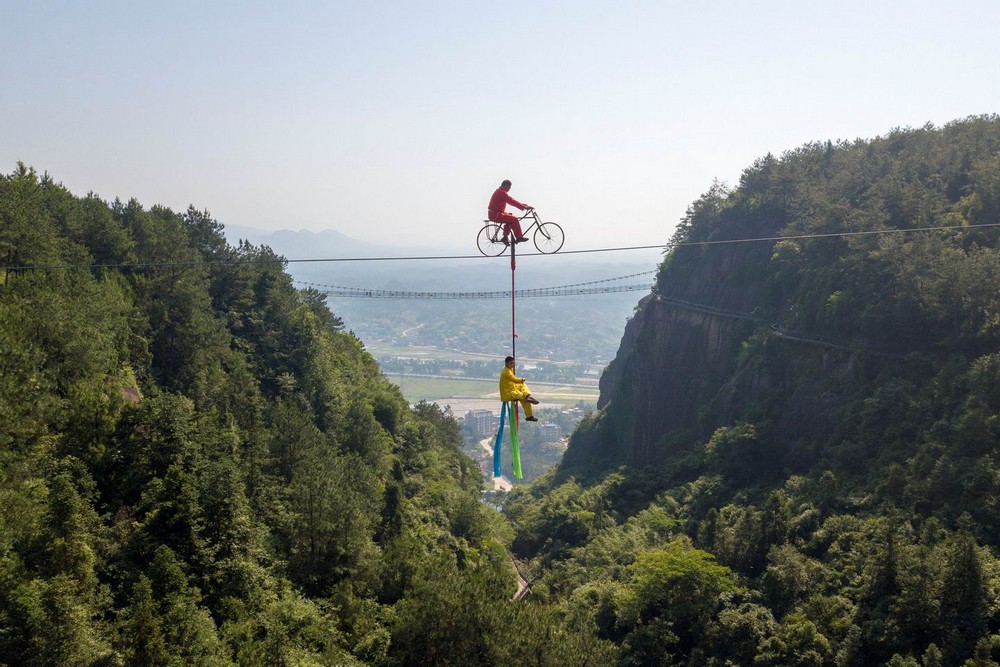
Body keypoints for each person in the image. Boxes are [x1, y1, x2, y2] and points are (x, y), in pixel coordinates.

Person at [488, 179, 531, 244]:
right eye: (509, 187)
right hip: (496, 214)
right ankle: (519, 237)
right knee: (514, 219)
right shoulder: (501, 192)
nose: (509, 189)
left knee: (510, 217)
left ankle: (505, 237)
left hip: (496, 213)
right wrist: (523, 207)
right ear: (506, 186)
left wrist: (523, 205)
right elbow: (511, 201)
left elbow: (511, 200)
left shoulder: (500, 191)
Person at [499, 355, 540, 421]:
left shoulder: (509, 369)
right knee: (524, 398)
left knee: (522, 385)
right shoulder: (506, 372)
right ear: (506, 363)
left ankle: (527, 395)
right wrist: (521, 380)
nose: (513, 364)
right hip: (508, 393)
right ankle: (529, 414)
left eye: (513, 363)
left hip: (512, 388)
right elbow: (513, 379)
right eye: (511, 363)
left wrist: (521, 382)